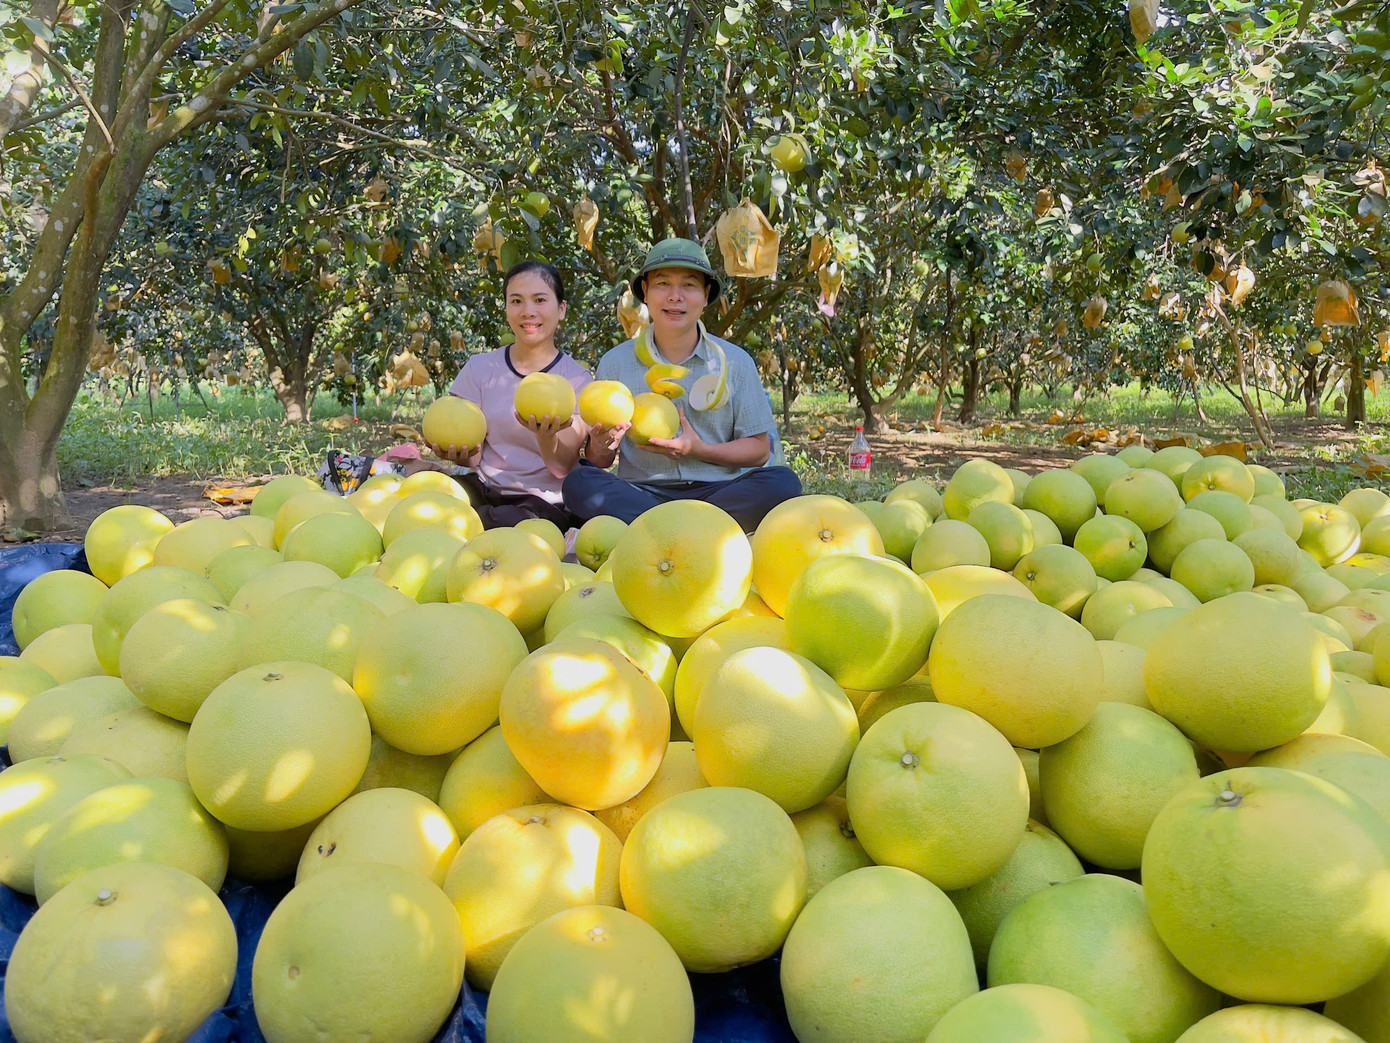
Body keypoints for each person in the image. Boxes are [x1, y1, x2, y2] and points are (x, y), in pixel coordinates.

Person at [562, 238, 801, 531]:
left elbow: (759, 450)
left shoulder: (734, 362)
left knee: (782, 482)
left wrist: (698, 450)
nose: (675, 296)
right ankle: (700, 529)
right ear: (646, 293)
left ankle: (659, 528)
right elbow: (600, 460)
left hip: (718, 492)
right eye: (663, 284)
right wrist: (601, 444)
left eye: (689, 285)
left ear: (706, 295)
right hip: (644, 492)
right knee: (579, 482)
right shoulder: (616, 363)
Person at [418, 260, 591, 529]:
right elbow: (473, 456)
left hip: (541, 502)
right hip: (483, 487)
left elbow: (561, 467)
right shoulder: (480, 368)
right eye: (517, 301)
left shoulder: (577, 379)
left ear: (561, 309)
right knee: (424, 505)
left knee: (502, 524)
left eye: (540, 300)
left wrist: (546, 438)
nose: (528, 311)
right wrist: (457, 453)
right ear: (507, 309)